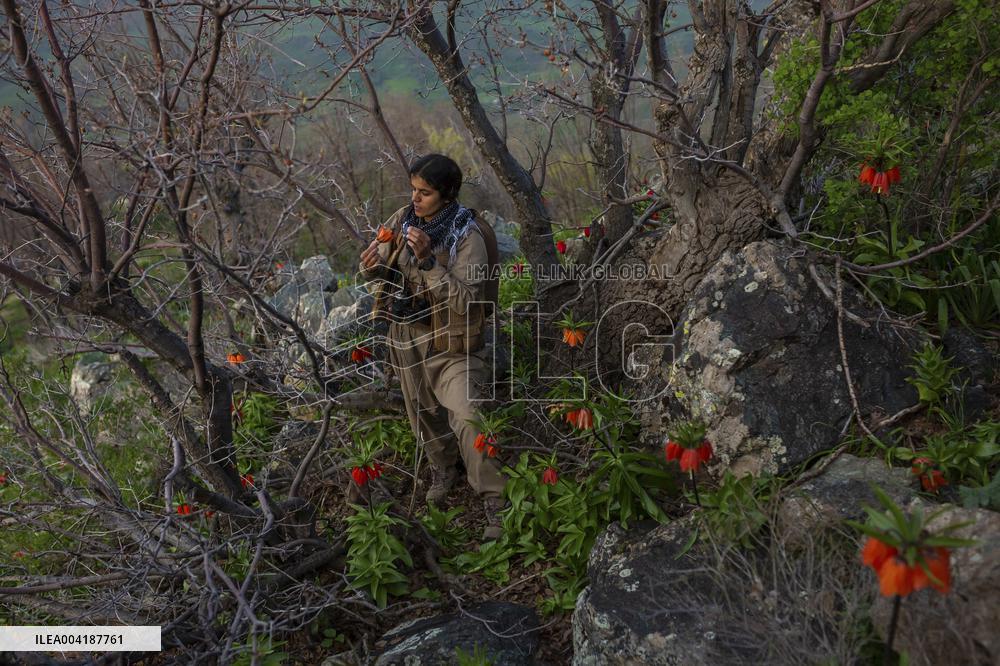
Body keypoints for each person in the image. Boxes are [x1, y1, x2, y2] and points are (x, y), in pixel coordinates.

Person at [358, 154, 506, 540]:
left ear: (448, 194)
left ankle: (495, 500)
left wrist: (427, 261)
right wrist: (370, 264)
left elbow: (468, 302)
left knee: (469, 415)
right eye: (413, 189)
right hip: (405, 336)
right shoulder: (401, 220)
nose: (416, 198)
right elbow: (382, 271)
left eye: (425, 192)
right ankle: (444, 468)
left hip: (453, 342)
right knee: (421, 412)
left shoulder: (468, 235)